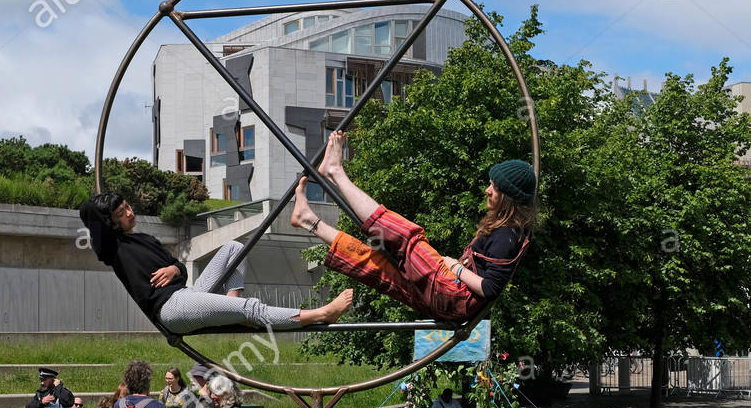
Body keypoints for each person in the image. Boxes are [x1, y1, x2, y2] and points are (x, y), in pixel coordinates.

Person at [290, 130, 536, 323]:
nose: (487, 190)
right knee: (376, 266)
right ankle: (309, 220)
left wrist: (456, 268)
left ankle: (335, 172)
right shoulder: (508, 231)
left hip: (452, 294)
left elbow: (490, 288)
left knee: (407, 237)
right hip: (448, 304)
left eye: (494, 187)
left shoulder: (507, 235)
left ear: (507, 197)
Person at [78, 192, 353, 337]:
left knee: (234, 249)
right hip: (171, 308)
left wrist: (175, 269)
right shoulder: (112, 248)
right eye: (120, 213)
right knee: (251, 308)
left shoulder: (145, 239)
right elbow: (88, 213)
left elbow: (179, 267)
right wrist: (104, 205)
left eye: (127, 206)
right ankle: (321, 314)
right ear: (110, 222)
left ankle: (236, 311)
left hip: (187, 295)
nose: (129, 212)